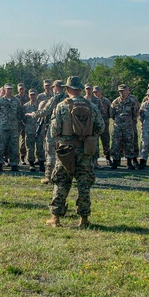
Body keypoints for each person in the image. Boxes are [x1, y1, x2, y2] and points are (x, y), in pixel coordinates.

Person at [46, 76, 103, 228]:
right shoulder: (91, 106)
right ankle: (83, 219)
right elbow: (101, 127)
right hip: (85, 150)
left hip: (67, 151)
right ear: (80, 89)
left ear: (68, 89)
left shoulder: (61, 106)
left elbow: (54, 130)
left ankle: (55, 218)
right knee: (84, 185)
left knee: (61, 182)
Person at [0, 84, 24, 171]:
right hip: (2, 127)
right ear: (5, 90)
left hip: (13, 127)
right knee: (0, 146)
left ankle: (14, 164)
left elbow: (19, 113)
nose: (9, 91)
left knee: (14, 147)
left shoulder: (16, 101)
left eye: (11, 89)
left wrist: (17, 122)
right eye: (8, 89)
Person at [109, 84, 139, 169]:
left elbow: (135, 114)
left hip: (128, 127)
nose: (122, 93)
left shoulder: (132, 102)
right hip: (118, 127)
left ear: (127, 91)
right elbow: (112, 114)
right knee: (116, 144)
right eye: (120, 91)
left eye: (123, 91)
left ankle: (129, 162)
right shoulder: (115, 102)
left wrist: (128, 122)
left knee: (129, 144)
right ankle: (115, 162)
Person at [90, 86, 112, 165]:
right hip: (95, 126)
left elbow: (110, 113)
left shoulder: (106, 101)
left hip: (104, 125)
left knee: (106, 142)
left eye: (96, 92)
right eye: (94, 92)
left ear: (100, 92)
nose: (95, 93)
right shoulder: (91, 101)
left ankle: (108, 157)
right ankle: (95, 160)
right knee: (95, 143)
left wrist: (105, 120)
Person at [23, 89, 44, 170]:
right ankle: (31, 164)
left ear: (37, 95)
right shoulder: (26, 106)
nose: (33, 96)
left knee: (40, 147)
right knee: (30, 148)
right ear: (29, 95)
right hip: (29, 130)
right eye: (31, 94)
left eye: (34, 94)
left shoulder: (41, 105)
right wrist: (27, 126)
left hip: (40, 130)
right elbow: (23, 118)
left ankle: (41, 163)